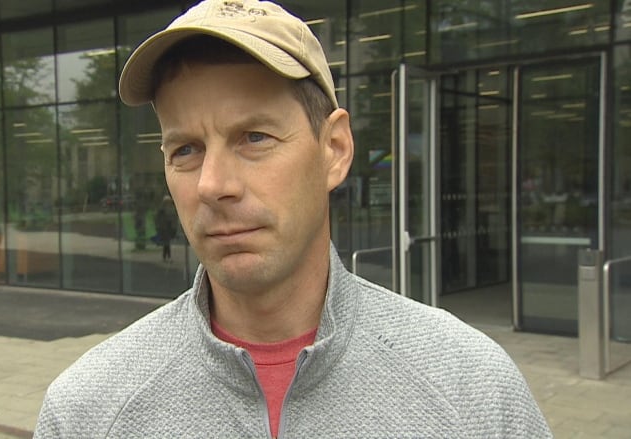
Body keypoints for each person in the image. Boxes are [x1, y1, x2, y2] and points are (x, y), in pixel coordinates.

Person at [34, 1, 552, 438]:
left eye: (254, 137)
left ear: (334, 149)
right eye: (186, 149)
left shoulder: (472, 391)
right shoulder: (88, 411)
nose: (213, 184)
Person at [154, 194, 178, 261]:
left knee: (167, 243)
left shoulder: (170, 209)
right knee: (166, 243)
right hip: (164, 228)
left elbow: (172, 218)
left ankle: (165, 257)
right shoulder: (162, 210)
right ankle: (167, 257)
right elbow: (158, 219)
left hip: (168, 228)